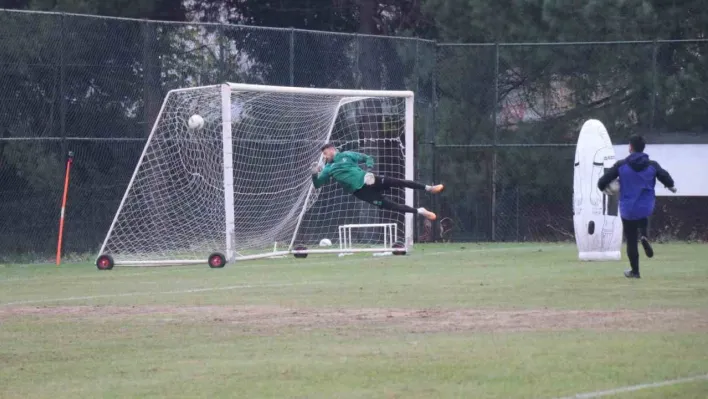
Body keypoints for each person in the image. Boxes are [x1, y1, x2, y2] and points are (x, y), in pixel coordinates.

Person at [597, 134, 676, 278]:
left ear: (630, 148)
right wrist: (670, 186)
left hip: (628, 209)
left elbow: (602, 181)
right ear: (643, 148)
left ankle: (635, 271)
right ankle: (645, 236)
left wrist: (605, 189)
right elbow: (667, 178)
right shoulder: (653, 165)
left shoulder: (621, 165)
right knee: (644, 215)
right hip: (646, 206)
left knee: (631, 239)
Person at [311, 143, 443, 221]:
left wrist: (369, 168)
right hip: (360, 192)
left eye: (325, 152)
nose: (324, 155)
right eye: (323, 154)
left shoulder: (346, 155)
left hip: (368, 179)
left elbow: (367, 158)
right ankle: (420, 211)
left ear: (333, 149)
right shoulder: (328, 169)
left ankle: (429, 188)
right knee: (391, 206)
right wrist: (314, 174)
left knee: (398, 182)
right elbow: (317, 184)